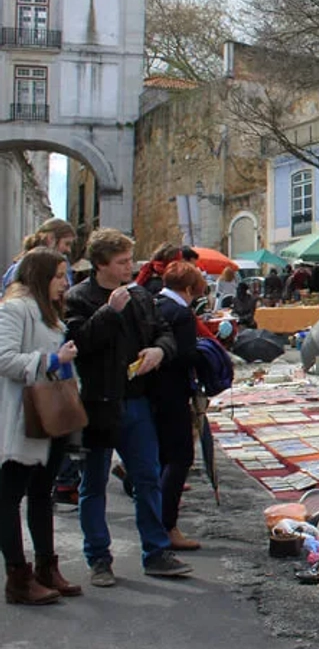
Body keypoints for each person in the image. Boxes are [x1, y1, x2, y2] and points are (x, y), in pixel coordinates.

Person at [65, 228, 190, 586]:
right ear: (101, 264)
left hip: (136, 401)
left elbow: (163, 331)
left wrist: (159, 351)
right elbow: (80, 343)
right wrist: (109, 311)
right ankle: (99, 559)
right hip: (98, 404)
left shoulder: (141, 296)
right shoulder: (79, 298)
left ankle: (155, 551)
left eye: (129, 260)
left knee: (147, 477)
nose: (129, 267)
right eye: (121, 262)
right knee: (94, 484)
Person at [0, 248, 83, 604]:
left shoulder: (52, 315)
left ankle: (46, 567)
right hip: (25, 415)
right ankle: (18, 576)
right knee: (9, 495)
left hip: (52, 413)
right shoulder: (15, 309)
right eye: (59, 276)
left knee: (41, 493)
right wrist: (52, 359)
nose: (65, 284)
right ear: (40, 276)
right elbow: (4, 358)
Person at [152, 262, 204, 552]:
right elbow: (184, 356)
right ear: (187, 289)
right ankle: (167, 524)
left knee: (161, 457)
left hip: (152, 392)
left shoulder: (153, 304)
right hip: (172, 393)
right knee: (181, 456)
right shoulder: (181, 314)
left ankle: (158, 520)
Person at [3, 218, 77, 290]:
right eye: (67, 244)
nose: (69, 250)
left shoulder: (64, 265)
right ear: (51, 238)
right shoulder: (23, 267)